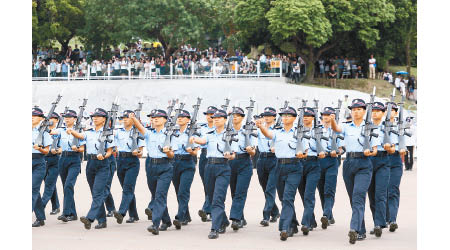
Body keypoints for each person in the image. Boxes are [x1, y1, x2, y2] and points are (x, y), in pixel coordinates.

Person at [330, 98, 379, 244]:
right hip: (349, 162)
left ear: (364, 111)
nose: (356, 111)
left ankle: (354, 229)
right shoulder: (347, 126)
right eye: (353, 109)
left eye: (359, 109)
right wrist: (332, 120)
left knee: (358, 196)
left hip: (364, 164)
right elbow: (336, 129)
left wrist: (369, 153)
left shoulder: (370, 127)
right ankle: (361, 230)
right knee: (353, 198)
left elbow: (375, 151)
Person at [256, 106, 309, 241]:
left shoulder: (300, 132)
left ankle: (284, 227)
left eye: (288, 116)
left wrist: (301, 154)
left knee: (288, 197)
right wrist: (261, 127)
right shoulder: (277, 132)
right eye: (283, 115)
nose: (285, 118)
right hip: (279, 166)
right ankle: (293, 223)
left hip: (294, 166)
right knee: (282, 198)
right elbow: (268, 134)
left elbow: (305, 151)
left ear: (294, 118)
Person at [189, 109, 237, 239]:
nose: (215, 119)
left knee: (218, 199)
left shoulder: (231, 134)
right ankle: (224, 220)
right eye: (214, 118)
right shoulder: (209, 133)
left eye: (219, 118)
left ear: (225, 120)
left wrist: (230, 155)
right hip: (209, 167)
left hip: (223, 167)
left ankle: (214, 228)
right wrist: (194, 139)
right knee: (211, 197)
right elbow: (203, 141)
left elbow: (233, 154)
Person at [130, 109, 178, 235]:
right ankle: (166, 221)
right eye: (154, 117)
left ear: (165, 120)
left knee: (160, 196)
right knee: (156, 195)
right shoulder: (150, 133)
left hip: (165, 166)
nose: (155, 118)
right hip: (151, 166)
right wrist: (134, 118)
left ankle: (155, 224)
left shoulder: (170, 134)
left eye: (159, 117)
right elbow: (140, 128)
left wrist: (167, 151)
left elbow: (172, 155)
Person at [71, 108, 115, 230]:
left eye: (98, 116)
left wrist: (104, 155)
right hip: (90, 163)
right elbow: (80, 136)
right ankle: (102, 221)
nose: (94, 118)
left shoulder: (108, 133)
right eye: (94, 116)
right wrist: (72, 131)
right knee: (95, 193)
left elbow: (110, 151)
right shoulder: (89, 132)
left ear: (104, 119)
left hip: (102, 164)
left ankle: (90, 218)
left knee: (97, 193)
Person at [51, 109, 85, 223]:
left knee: (68, 185)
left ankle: (65, 213)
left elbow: (83, 148)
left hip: (74, 159)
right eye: (65, 117)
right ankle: (73, 213)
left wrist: (78, 149)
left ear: (75, 119)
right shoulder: (61, 130)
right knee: (67, 187)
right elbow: (51, 132)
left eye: (69, 117)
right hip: (63, 159)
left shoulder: (79, 131)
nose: (66, 119)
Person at [112, 110, 144, 224]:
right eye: (123, 117)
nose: (124, 119)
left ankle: (121, 212)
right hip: (120, 160)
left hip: (132, 161)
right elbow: (114, 146)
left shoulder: (137, 131)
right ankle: (133, 215)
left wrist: (138, 152)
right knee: (128, 189)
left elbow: (141, 152)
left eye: (127, 117)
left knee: (127, 188)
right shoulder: (118, 132)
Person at [297, 107, 326, 235]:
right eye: (304, 115)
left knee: (309, 194)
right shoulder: (297, 130)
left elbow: (323, 150)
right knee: (303, 194)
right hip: (298, 164)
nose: (306, 117)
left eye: (309, 115)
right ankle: (312, 220)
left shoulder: (319, 131)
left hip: (313, 163)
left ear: (313, 117)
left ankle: (306, 223)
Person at [227, 107, 257, 231]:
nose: (235, 117)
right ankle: (241, 217)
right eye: (233, 115)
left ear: (243, 117)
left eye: (238, 115)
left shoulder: (249, 130)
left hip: (244, 161)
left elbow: (254, 152)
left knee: (240, 192)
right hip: (230, 162)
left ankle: (235, 219)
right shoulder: (227, 130)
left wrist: (251, 150)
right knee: (234, 192)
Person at [365, 102, 391, 238]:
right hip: (368, 161)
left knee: (380, 194)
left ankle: (378, 223)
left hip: (383, 160)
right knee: (371, 194)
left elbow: (393, 149)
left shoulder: (387, 127)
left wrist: (388, 147)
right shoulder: (366, 126)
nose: (375, 113)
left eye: (378, 111)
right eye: (373, 110)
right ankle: (377, 221)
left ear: (383, 113)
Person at [316, 107, 344, 229]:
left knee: (329, 189)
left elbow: (342, 148)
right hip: (318, 161)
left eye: (329, 114)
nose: (326, 116)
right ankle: (329, 215)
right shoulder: (316, 130)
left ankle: (326, 215)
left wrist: (337, 152)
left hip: (332, 160)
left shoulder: (337, 130)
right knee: (321, 189)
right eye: (324, 114)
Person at [171, 110, 199, 229]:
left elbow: (196, 151)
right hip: (174, 162)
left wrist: (191, 151)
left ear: (188, 120)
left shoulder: (192, 132)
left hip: (188, 161)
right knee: (178, 191)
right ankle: (186, 215)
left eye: (183, 117)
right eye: (179, 116)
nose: (180, 118)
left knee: (183, 191)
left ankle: (180, 216)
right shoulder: (173, 132)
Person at [256, 107, 280, 227]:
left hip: (274, 159)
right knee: (265, 188)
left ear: (274, 116)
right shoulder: (259, 128)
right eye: (265, 115)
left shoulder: (279, 129)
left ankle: (266, 216)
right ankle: (275, 212)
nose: (267, 117)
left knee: (270, 188)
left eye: (269, 115)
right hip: (261, 159)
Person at [385, 102, 406, 233]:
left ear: (396, 112)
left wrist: (402, 149)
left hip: (395, 162)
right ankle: (383, 219)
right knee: (382, 192)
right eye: (386, 109)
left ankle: (392, 219)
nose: (389, 112)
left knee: (392, 190)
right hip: (380, 160)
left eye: (392, 110)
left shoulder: (400, 127)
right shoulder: (378, 126)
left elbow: (404, 145)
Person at [32, 107, 52, 227]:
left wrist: (40, 148)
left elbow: (47, 151)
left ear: (40, 119)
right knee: (34, 191)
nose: (31, 118)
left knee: (32, 189)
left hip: (38, 162)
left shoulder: (43, 133)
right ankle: (40, 218)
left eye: (34, 116)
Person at [197, 106, 217, 222]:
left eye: (211, 114)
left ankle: (206, 209)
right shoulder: (202, 129)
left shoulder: (219, 128)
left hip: (214, 156)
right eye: (207, 114)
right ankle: (209, 209)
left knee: (213, 186)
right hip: (204, 156)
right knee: (207, 185)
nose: (209, 116)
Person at [42, 112, 61, 216]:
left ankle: (41, 206)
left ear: (57, 120)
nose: (51, 120)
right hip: (44, 159)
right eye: (50, 118)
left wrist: (57, 150)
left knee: (49, 184)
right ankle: (56, 206)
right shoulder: (44, 131)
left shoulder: (60, 131)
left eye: (53, 118)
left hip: (55, 160)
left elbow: (64, 146)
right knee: (50, 184)